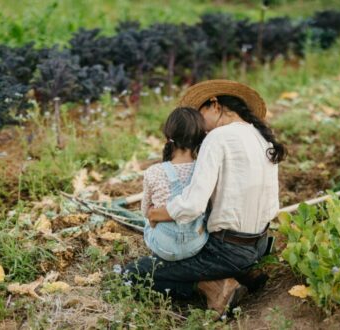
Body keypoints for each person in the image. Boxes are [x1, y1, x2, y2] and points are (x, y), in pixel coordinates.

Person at [123, 80, 287, 317]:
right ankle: (242, 271)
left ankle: (213, 286)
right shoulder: (261, 138)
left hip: (227, 251)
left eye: (199, 116)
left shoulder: (217, 138)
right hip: (259, 243)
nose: (199, 127)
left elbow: (192, 205)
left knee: (134, 272)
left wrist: (156, 213)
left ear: (214, 105)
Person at [142, 107, 209, 261]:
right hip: (196, 244)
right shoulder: (204, 170)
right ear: (200, 138)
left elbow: (146, 211)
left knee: (147, 217)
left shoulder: (154, 171)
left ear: (168, 136)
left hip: (163, 246)